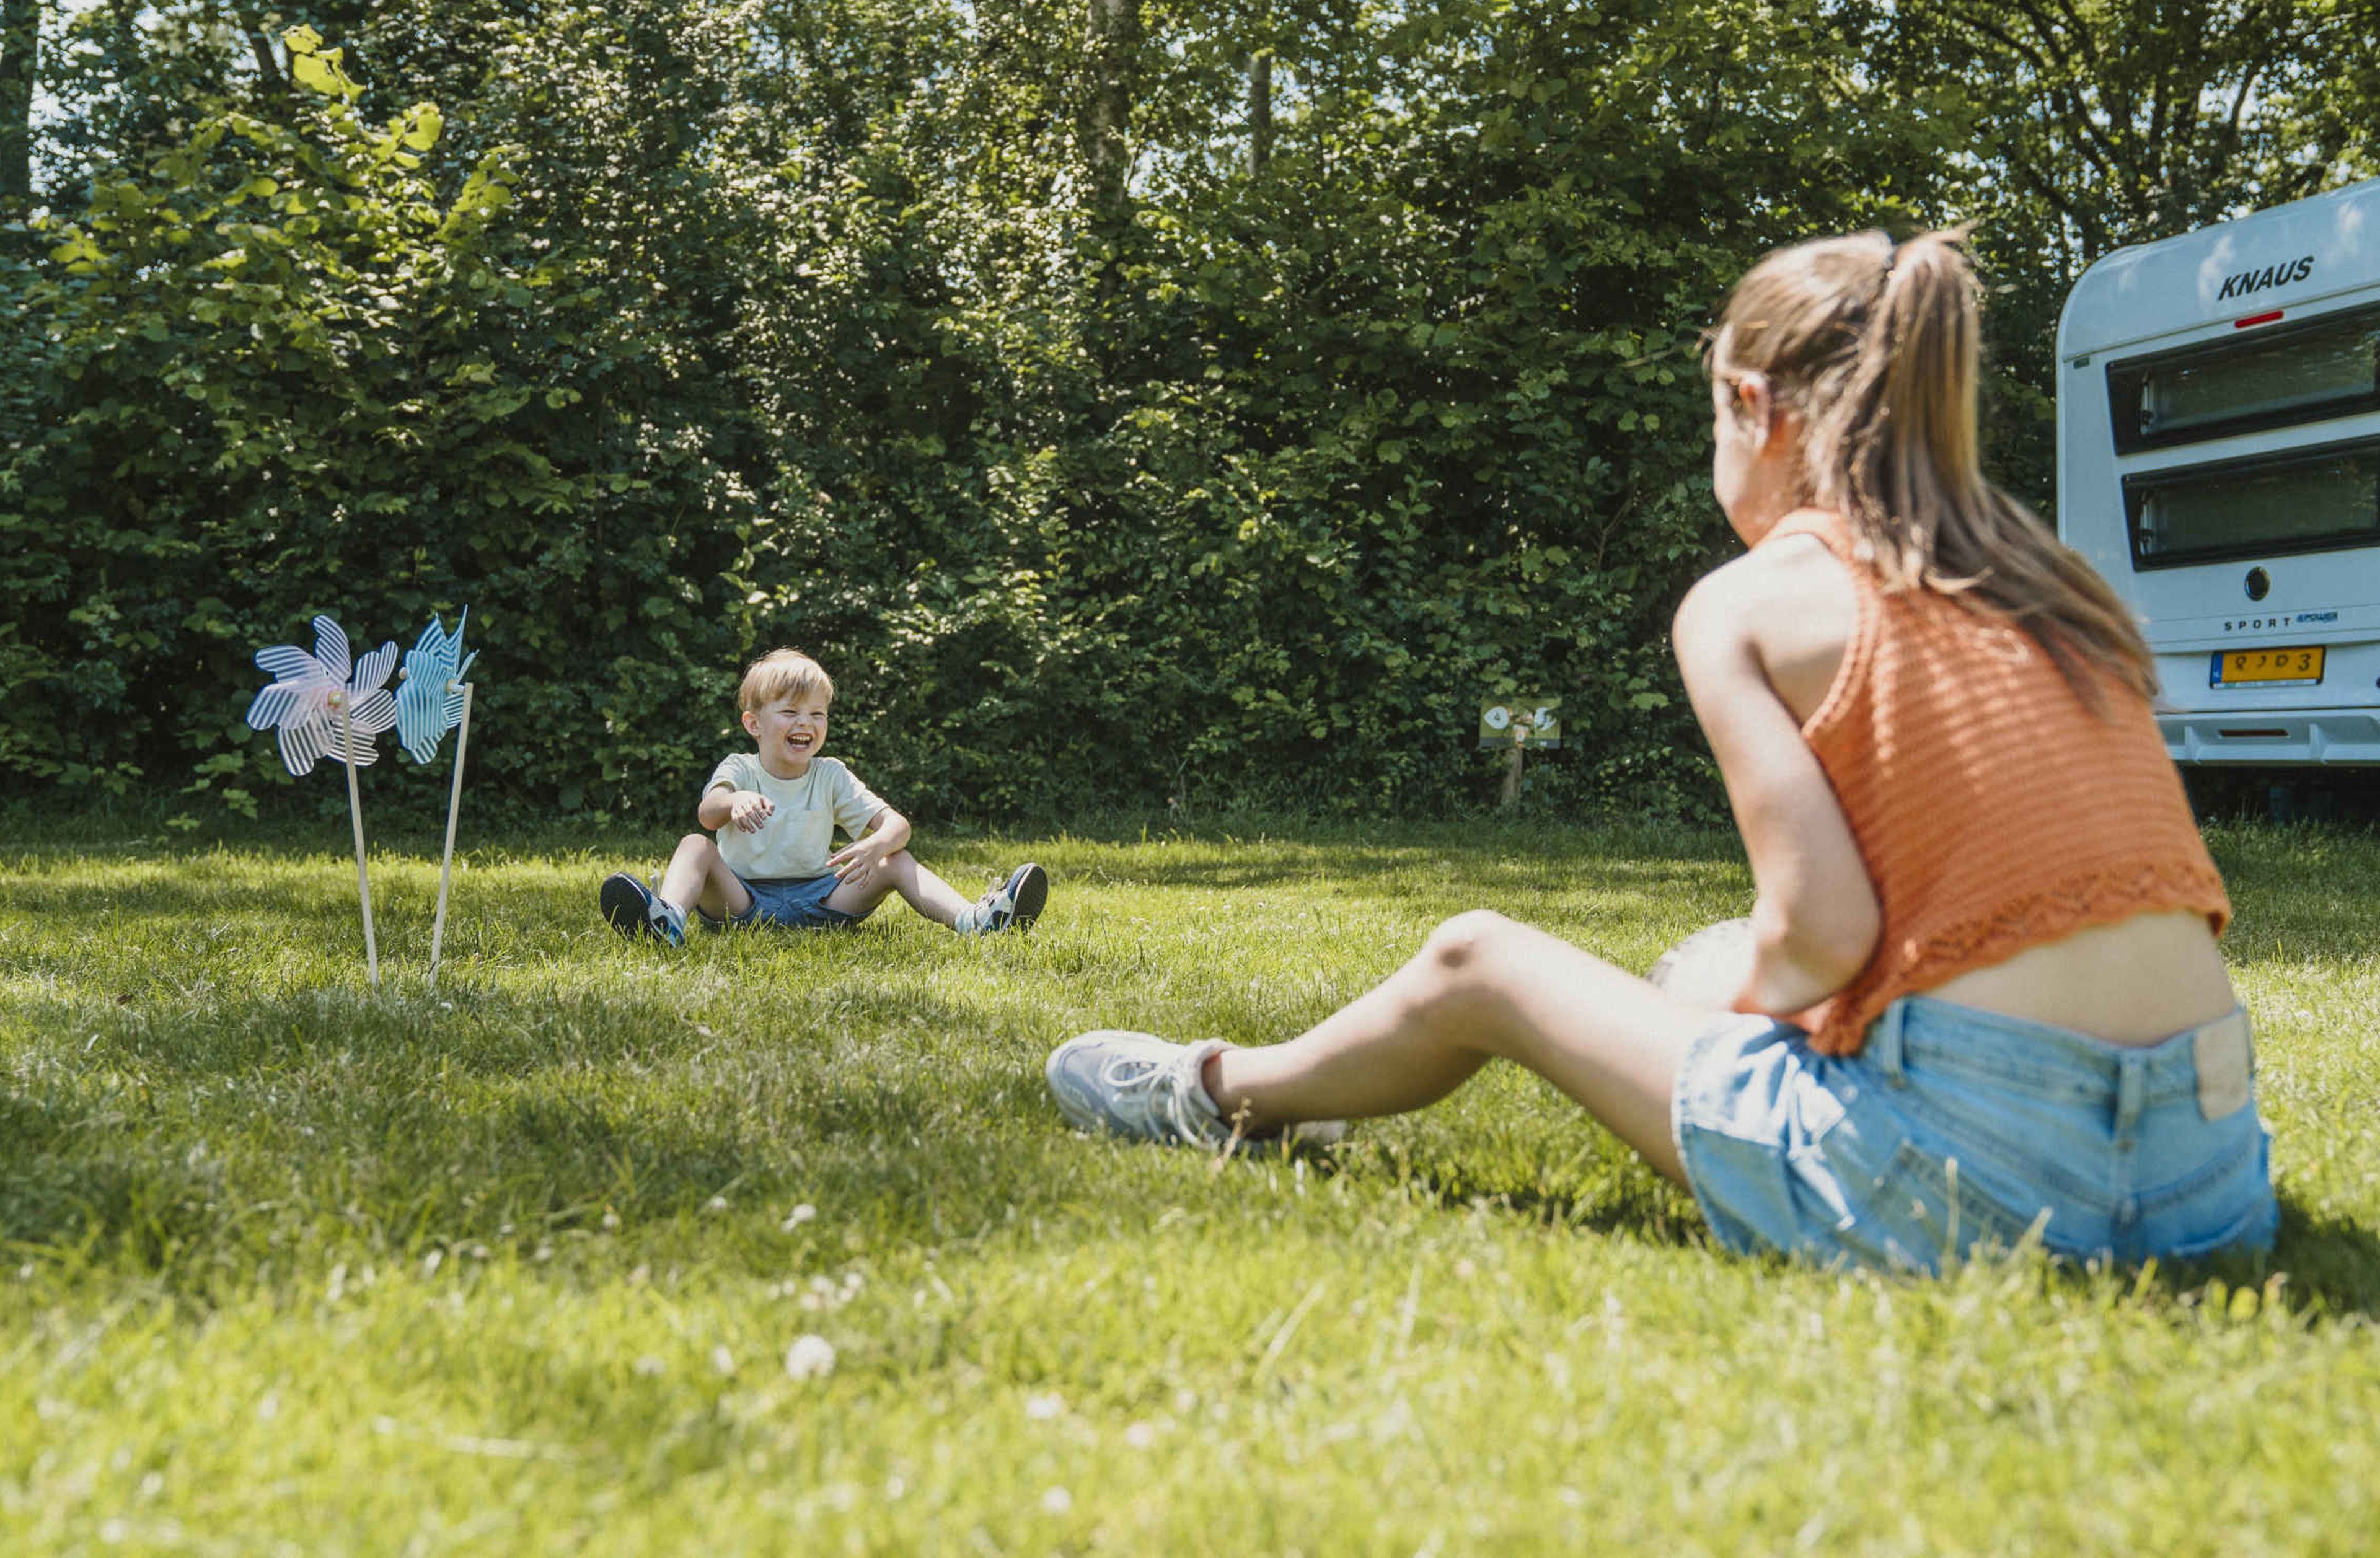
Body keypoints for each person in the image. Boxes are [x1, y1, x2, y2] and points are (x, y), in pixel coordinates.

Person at [1046, 229, 2278, 1273]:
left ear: (1753, 407)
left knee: (1479, 962)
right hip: (2209, 1177)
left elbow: (1821, 938)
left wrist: (1700, 1013)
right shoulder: (2055, 594)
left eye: (1713, 420)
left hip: (1981, 1184)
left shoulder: (1750, 601)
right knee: (1705, 966)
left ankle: (1213, 1092)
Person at [601, 648, 1048, 944]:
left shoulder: (830, 774)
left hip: (821, 898)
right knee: (695, 846)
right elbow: (707, 815)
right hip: (741, 900)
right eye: (791, 712)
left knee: (895, 857)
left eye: (818, 714)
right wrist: (734, 802)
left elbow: (898, 826)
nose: (807, 723)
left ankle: (976, 921)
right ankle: (667, 921)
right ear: (754, 724)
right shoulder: (741, 768)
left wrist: (876, 844)